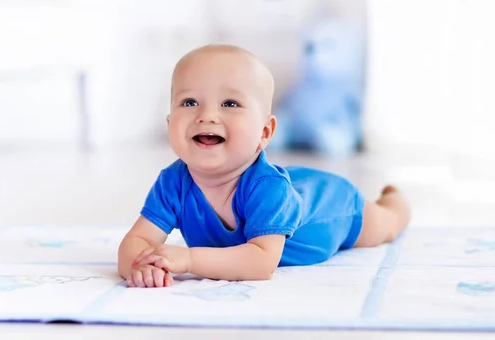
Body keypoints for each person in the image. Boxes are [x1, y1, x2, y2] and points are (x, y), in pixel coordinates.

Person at [117, 45, 411, 288]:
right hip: (292, 189)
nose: (206, 115)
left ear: (264, 132)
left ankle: (395, 202)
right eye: (190, 102)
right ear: (170, 123)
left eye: (230, 104)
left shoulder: (267, 188)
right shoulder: (173, 182)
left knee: (383, 226)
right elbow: (138, 240)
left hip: (331, 206)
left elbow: (260, 261)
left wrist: (188, 260)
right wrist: (141, 266)